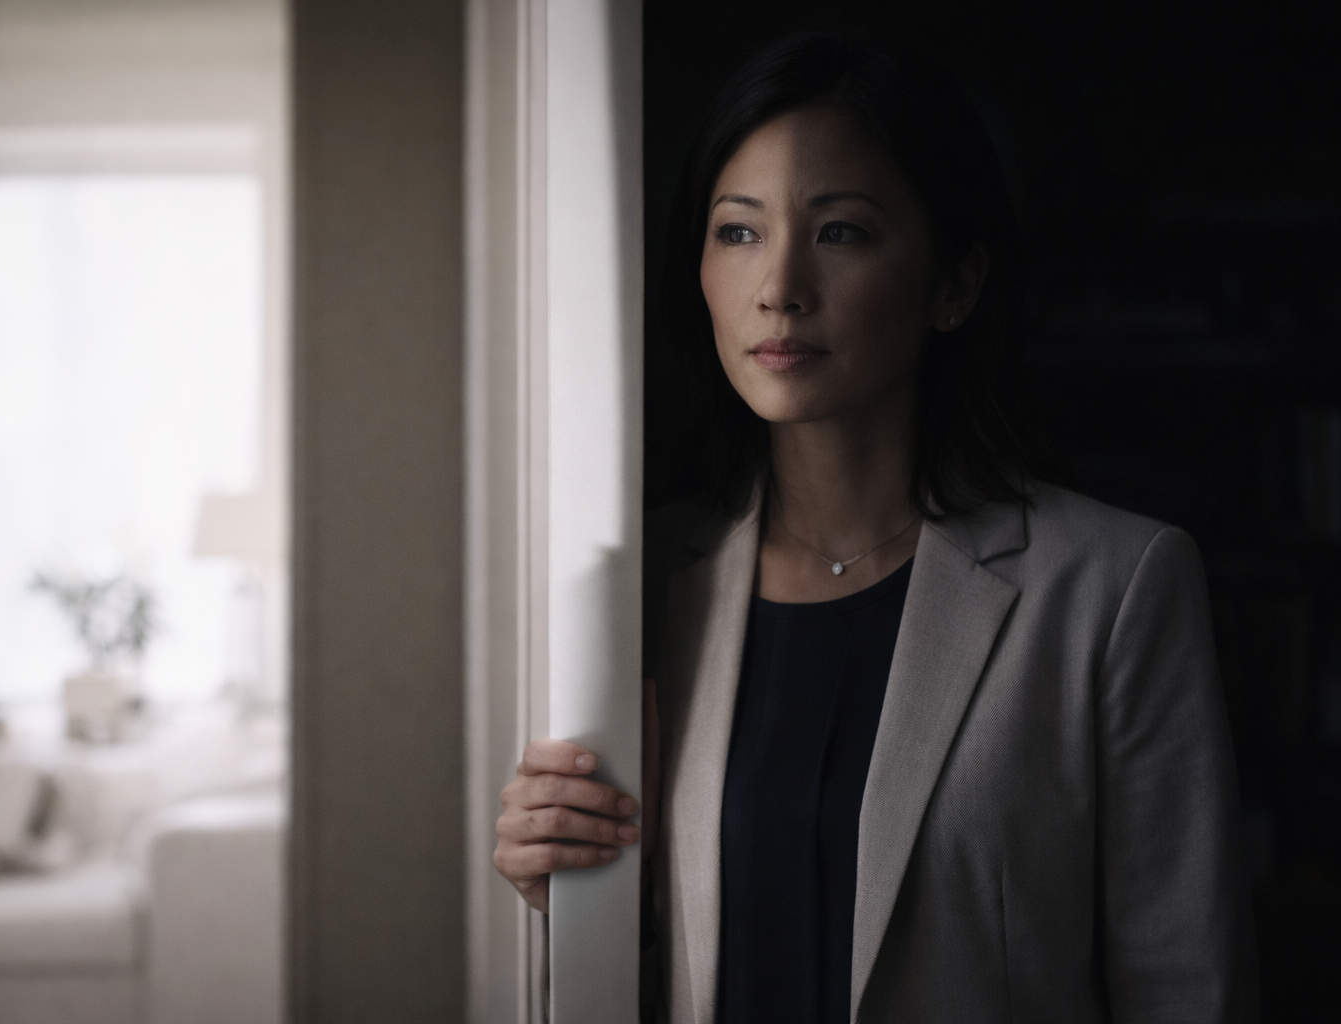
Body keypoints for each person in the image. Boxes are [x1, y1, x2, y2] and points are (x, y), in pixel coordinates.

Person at [494, 33, 1259, 1023]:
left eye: (841, 232)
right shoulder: (639, 585)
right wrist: (563, 883)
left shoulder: (1113, 585)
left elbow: (1186, 986)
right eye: (737, 232)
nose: (779, 286)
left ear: (955, 284)